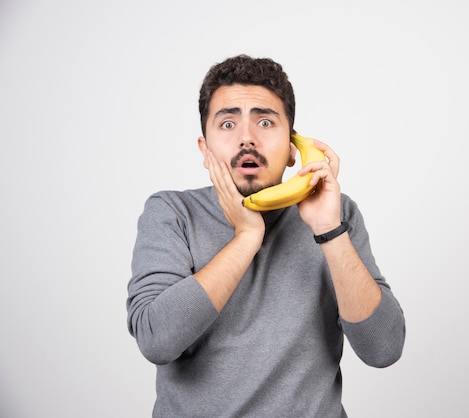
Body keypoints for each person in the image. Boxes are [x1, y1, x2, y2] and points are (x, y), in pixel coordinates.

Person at [126, 54, 406, 417]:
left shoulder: (337, 213)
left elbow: (383, 349)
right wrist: (245, 237)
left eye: (265, 121)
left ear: (293, 149)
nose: (247, 137)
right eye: (227, 123)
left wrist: (328, 230)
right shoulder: (172, 213)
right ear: (204, 148)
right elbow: (157, 340)